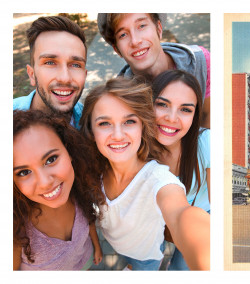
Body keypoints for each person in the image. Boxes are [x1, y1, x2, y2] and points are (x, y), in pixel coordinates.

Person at [79, 77, 210, 270]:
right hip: (119, 247)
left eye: (129, 121)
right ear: (91, 130)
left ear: (143, 126)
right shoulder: (93, 170)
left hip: (146, 258)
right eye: (105, 123)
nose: (117, 135)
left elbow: (180, 213)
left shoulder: (158, 179)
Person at [13, 110, 105, 270]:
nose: (44, 183)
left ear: (68, 152)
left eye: (51, 159)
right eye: (24, 172)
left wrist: (96, 245)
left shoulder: (78, 190)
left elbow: (89, 220)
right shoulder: (15, 230)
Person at [97, 13, 210, 128]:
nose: (135, 41)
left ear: (159, 29)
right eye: (123, 34)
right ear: (117, 50)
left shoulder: (200, 62)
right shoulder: (120, 96)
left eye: (141, 26)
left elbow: (210, 117)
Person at [152, 70, 210, 270]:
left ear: (195, 115)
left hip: (202, 220)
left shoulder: (206, 142)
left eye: (185, 109)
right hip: (156, 226)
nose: (171, 118)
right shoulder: (134, 147)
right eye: (162, 104)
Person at [13, 16, 88, 129]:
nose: (65, 78)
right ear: (32, 74)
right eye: (50, 63)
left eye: (76, 65)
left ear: (85, 75)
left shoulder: (92, 125)